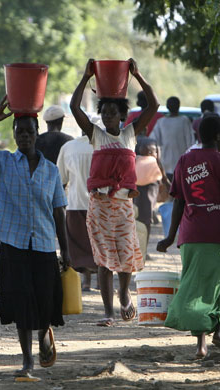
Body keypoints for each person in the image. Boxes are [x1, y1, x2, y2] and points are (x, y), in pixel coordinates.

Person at [0, 95, 69, 381]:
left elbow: (59, 214)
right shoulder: (4, 163)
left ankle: (44, 333)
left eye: (29, 132)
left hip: (45, 245)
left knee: (45, 302)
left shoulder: (51, 171)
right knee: (22, 303)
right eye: (19, 132)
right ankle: (27, 361)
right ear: (14, 135)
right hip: (14, 245)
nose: (24, 136)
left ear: (38, 135)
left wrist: (67, 252)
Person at [70, 58, 159, 327]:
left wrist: (138, 74)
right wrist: (86, 77)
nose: (108, 116)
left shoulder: (131, 134)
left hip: (122, 206)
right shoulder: (95, 135)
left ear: (122, 116)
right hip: (99, 205)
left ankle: (125, 296)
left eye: (113, 112)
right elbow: (75, 107)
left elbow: (153, 105)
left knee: (126, 258)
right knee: (104, 260)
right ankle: (108, 312)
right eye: (104, 112)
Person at [157, 115, 220, 359]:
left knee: (198, 287)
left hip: (191, 235)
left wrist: (170, 236)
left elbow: (178, 200)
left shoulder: (184, 161)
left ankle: (201, 344)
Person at [57, 133, 98, 291]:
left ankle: (86, 280)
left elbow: (61, 179)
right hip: (101, 204)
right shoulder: (105, 146)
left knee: (79, 243)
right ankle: (102, 281)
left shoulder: (68, 147)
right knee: (100, 243)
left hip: (75, 202)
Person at [149, 96, 195, 181]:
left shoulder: (161, 122)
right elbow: (191, 143)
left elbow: (154, 142)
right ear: (179, 106)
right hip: (182, 164)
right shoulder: (184, 120)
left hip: (165, 164)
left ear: (167, 107)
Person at [134, 137, 170, 243]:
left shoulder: (133, 145)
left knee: (138, 217)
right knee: (146, 218)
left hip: (138, 184)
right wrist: (166, 182)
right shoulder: (152, 144)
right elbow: (159, 164)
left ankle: (139, 247)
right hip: (149, 185)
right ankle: (142, 247)